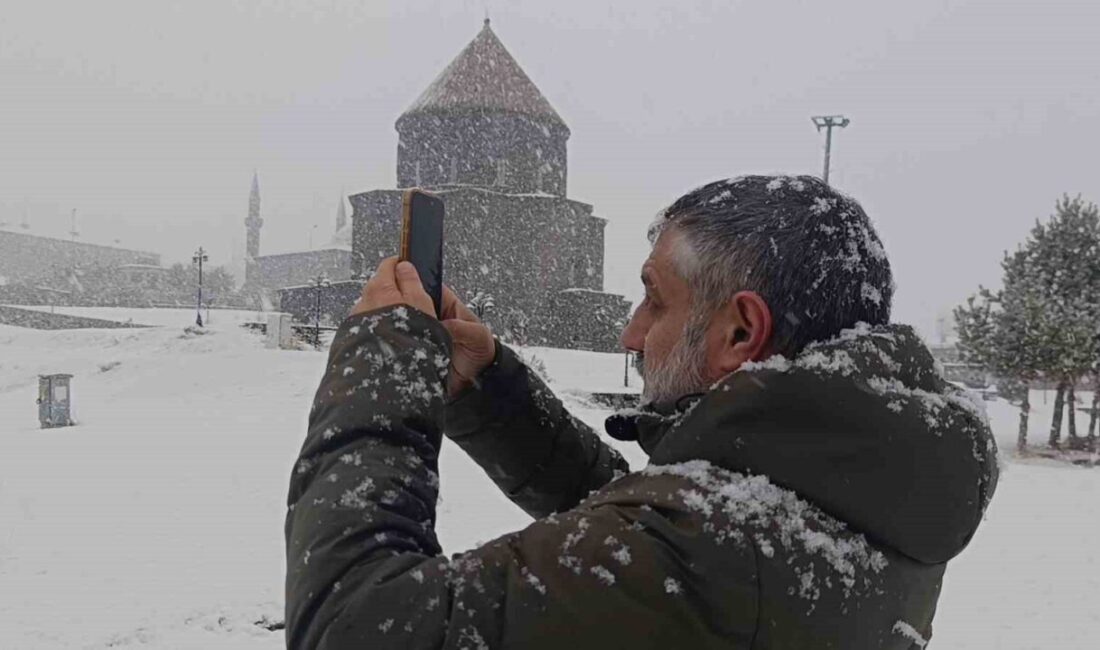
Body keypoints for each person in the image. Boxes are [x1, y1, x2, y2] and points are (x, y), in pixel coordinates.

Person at [285, 175, 998, 649]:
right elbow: (655, 532)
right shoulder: (860, 493)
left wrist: (383, 363)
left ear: (740, 333)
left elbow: (354, 625)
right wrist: (489, 390)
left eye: (655, 299)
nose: (631, 333)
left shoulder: (715, 551)